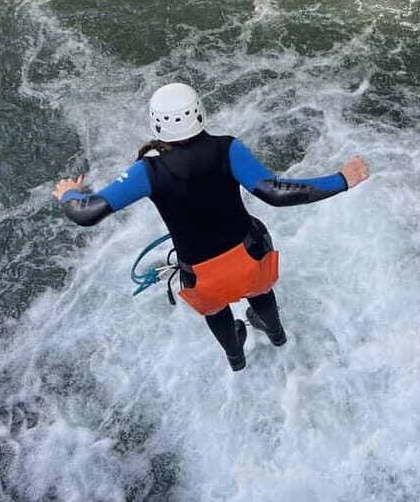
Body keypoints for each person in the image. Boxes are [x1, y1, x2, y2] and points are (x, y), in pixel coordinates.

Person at [52, 83, 370, 371]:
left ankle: (236, 357)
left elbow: (85, 213)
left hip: (201, 275)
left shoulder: (147, 171)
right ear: (200, 113)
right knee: (260, 293)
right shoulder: (227, 149)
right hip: (250, 255)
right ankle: (276, 335)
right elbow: (274, 192)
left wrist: (69, 193)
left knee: (217, 313)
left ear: (155, 122)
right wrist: (341, 179)